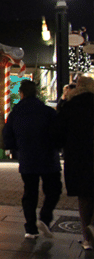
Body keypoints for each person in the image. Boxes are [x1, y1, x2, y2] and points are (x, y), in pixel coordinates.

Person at [3, 79, 61, 239]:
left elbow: (7, 133)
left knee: (30, 192)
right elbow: (57, 133)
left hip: (27, 157)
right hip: (48, 157)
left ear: (21, 93)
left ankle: (30, 228)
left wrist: (14, 148)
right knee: (53, 189)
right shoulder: (47, 111)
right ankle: (45, 216)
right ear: (36, 93)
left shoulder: (16, 113)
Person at [51, 76, 94, 250]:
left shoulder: (70, 106)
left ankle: (87, 238)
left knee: (84, 197)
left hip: (78, 157)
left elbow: (58, 134)